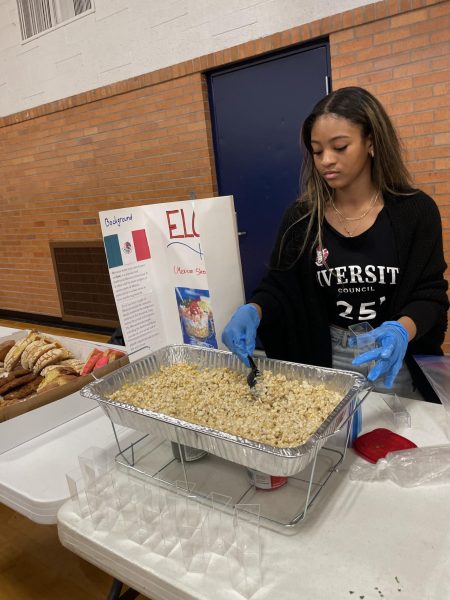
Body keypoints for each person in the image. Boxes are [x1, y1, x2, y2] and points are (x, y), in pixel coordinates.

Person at [222, 86, 448, 399]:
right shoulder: (302, 218)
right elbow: (278, 286)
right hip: (323, 362)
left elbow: (430, 295)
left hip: (390, 359)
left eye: (340, 147)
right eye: (317, 151)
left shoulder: (415, 212)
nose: (327, 160)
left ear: (371, 142)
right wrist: (254, 309)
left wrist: (402, 330)